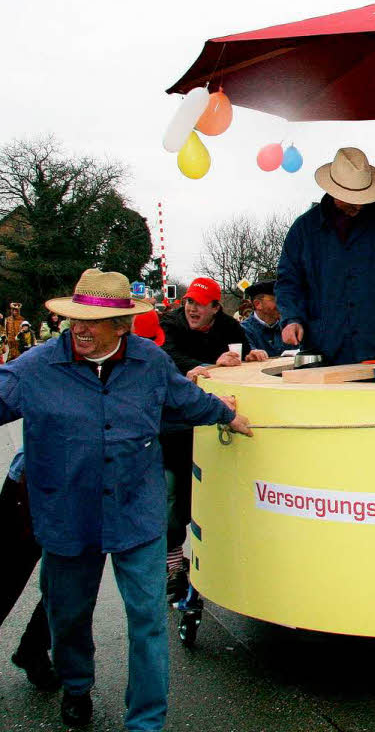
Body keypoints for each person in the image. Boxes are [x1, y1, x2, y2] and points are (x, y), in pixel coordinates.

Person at [0, 268, 253, 730]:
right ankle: (76, 686)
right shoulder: (35, 368)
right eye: (74, 318)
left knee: (148, 622)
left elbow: (184, 400)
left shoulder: (149, 362)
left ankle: (146, 721)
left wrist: (225, 414)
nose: (79, 328)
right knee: (68, 618)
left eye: (92, 322)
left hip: (136, 511)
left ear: (122, 325)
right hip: (66, 515)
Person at [159, 276, 268, 599]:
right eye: (189, 301)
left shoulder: (230, 328)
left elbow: (242, 355)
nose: (192, 308)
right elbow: (169, 359)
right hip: (174, 427)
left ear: (216, 308)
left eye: (200, 304)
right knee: (171, 495)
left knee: (206, 497)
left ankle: (215, 561)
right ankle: (173, 564)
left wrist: (251, 357)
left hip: (213, 424)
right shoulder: (171, 324)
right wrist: (209, 365)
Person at [276, 147, 375, 365]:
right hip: (324, 347)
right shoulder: (304, 229)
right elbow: (288, 281)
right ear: (333, 192)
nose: (358, 205)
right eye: (350, 198)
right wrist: (291, 318)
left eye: (362, 197)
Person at [1, 449, 59, 691]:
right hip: (31, 484)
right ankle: (33, 650)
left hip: (91, 492)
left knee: (68, 585)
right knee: (7, 575)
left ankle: (33, 649)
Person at [240, 280, 286, 357]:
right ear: (258, 304)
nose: (282, 304)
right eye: (276, 300)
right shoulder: (243, 331)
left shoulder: (289, 327)